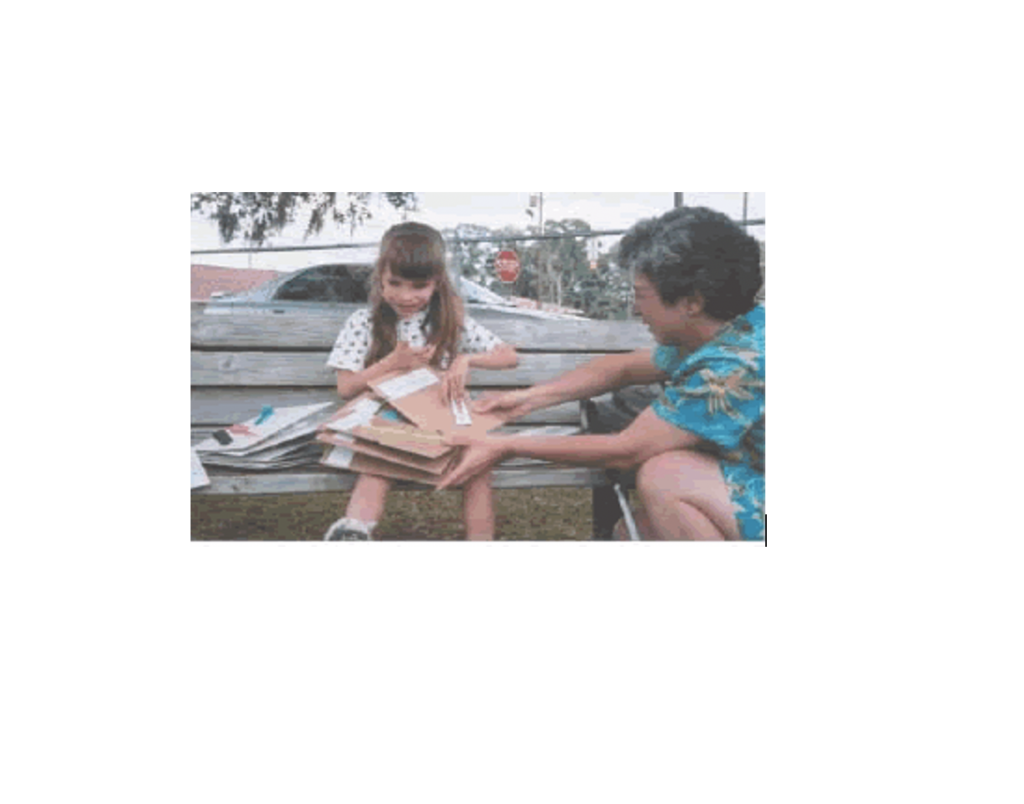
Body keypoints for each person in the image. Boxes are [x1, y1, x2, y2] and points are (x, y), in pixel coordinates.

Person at [437, 207, 765, 541]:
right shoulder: (721, 333)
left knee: (665, 475)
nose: (636, 309)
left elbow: (627, 449)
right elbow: (621, 369)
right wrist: (528, 399)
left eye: (641, 295)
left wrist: (506, 446)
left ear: (691, 302)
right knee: (633, 532)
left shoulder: (734, 366)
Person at [322, 222, 518, 541]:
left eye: (419, 286)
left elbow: (509, 356)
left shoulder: (449, 321)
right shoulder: (363, 322)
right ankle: (354, 531)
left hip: (442, 423)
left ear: (437, 282)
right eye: (394, 283)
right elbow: (346, 388)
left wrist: (466, 359)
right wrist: (391, 363)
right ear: (380, 277)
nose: (405, 296)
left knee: (478, 464)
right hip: (389, 422)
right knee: (377, 463)